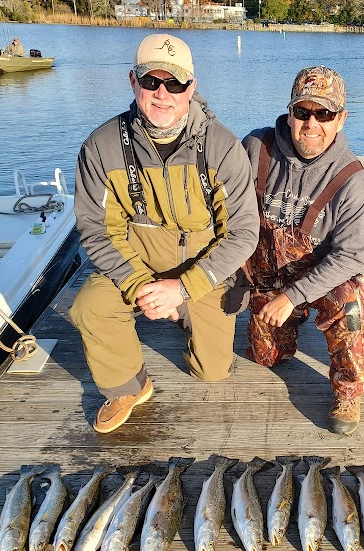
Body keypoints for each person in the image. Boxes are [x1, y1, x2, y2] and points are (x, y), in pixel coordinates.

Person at [70, 34, 259, 434]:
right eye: (151, 81)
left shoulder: (224, 147)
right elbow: (96, 230)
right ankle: (127, 387)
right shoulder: (100, 147)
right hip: (135, 265)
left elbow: (243, 233)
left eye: (175, 83)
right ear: (132, 81)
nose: (162, 94)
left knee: (212, 370)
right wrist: (141, 285)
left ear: (191, 87)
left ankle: (185, 313)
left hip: (201, 272)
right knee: (89, 305)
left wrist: (182, 290)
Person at [241, 66, 364, 436]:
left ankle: (348, 391)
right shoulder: (256, 148)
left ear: (341, 119)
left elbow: (351, 255)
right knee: (267, 358)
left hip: (318, 279)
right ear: (290, 113)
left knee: (351, 300)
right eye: (303, 112)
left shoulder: (351, 178)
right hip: (265, 275)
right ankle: (289, 319)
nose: (311, 123)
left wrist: (293, 297)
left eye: (324, 114)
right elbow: (224, 209)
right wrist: (235, 267)